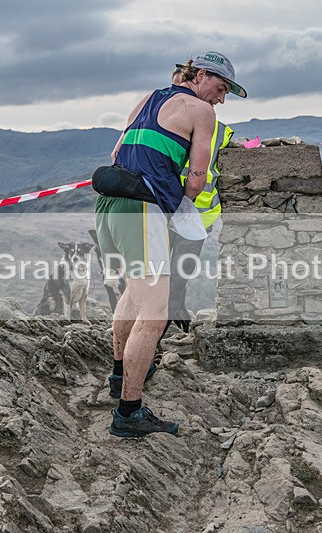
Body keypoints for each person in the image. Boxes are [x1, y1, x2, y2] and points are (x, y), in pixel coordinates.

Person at [94, 51, 246, 438]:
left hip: (109, 204)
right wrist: (175, 201)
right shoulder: (201, 112)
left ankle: (117, 376)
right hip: (143, 210)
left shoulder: (148, 98)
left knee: (134, 294)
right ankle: (129, 413)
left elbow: (116, 152)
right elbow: (196, 181)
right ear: (202, 76)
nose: (221, 98)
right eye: (221, 87)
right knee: (156, 315)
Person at [157, 65, 234, 355]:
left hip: (195, 221)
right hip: (166, 214)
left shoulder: (220, 130)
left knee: (176, 283)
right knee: (164, 283)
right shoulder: (168, 122)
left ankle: (154, 345)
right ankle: (170, 335)